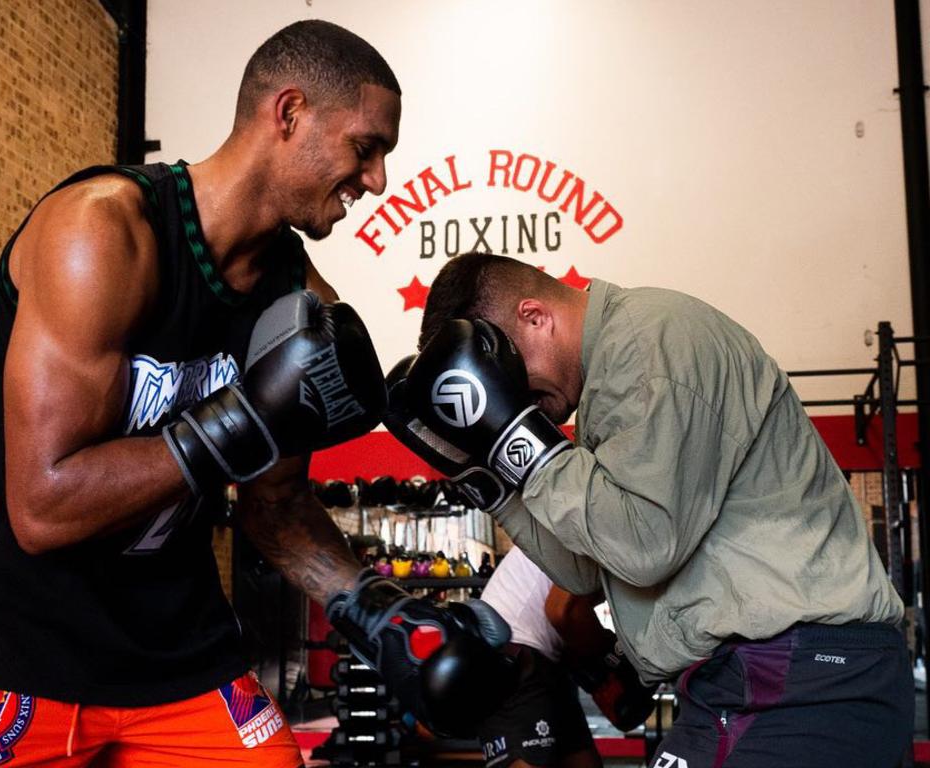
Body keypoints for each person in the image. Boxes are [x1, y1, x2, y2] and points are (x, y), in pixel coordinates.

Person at [0, 22, 512, 768]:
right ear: (288, 113)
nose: (378, 180)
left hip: (175, 651)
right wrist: (241, 420)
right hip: (14, 642)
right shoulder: (103, 231)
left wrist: (381, 612)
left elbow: (277, 507)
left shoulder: (296, 299)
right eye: (366, 147)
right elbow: (43, 504)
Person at [384, 251, 913, 768]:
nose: (514, 398)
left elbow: (644, 547)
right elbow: (587, 569)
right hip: (759, 677)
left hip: (806, 675)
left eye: (505, 378)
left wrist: (516, 437)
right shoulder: (605, 384)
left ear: (534, 316)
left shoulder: (647, 341)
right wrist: (487, 479)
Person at [478, 547, 656, 768]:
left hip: (548, 656)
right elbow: (562, 611)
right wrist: (611, 655)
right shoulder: (601, 526)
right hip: (512, 652)